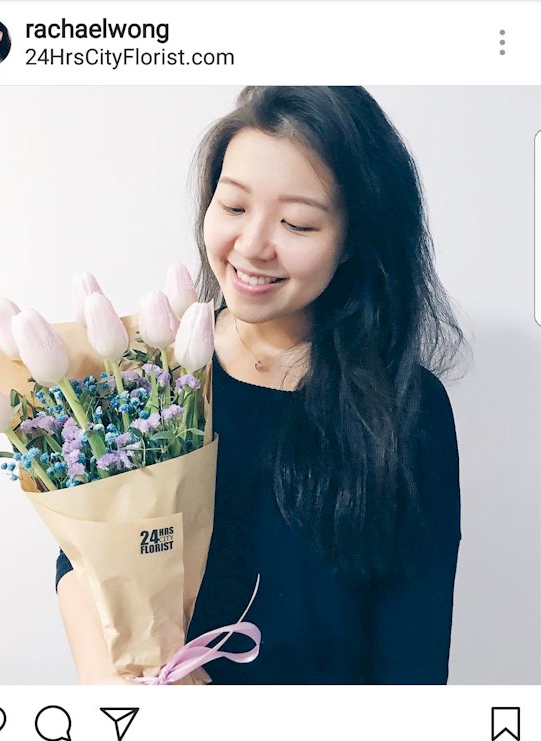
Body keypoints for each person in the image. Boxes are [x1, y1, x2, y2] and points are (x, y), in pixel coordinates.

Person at [56, 86, 464, 685]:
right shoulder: (154, 374)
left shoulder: (408, 406)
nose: (251, 247)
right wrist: (117, 684)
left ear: (352, 239)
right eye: (234, 206)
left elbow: (414, 655)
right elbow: (82, 551)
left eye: (297, 222)